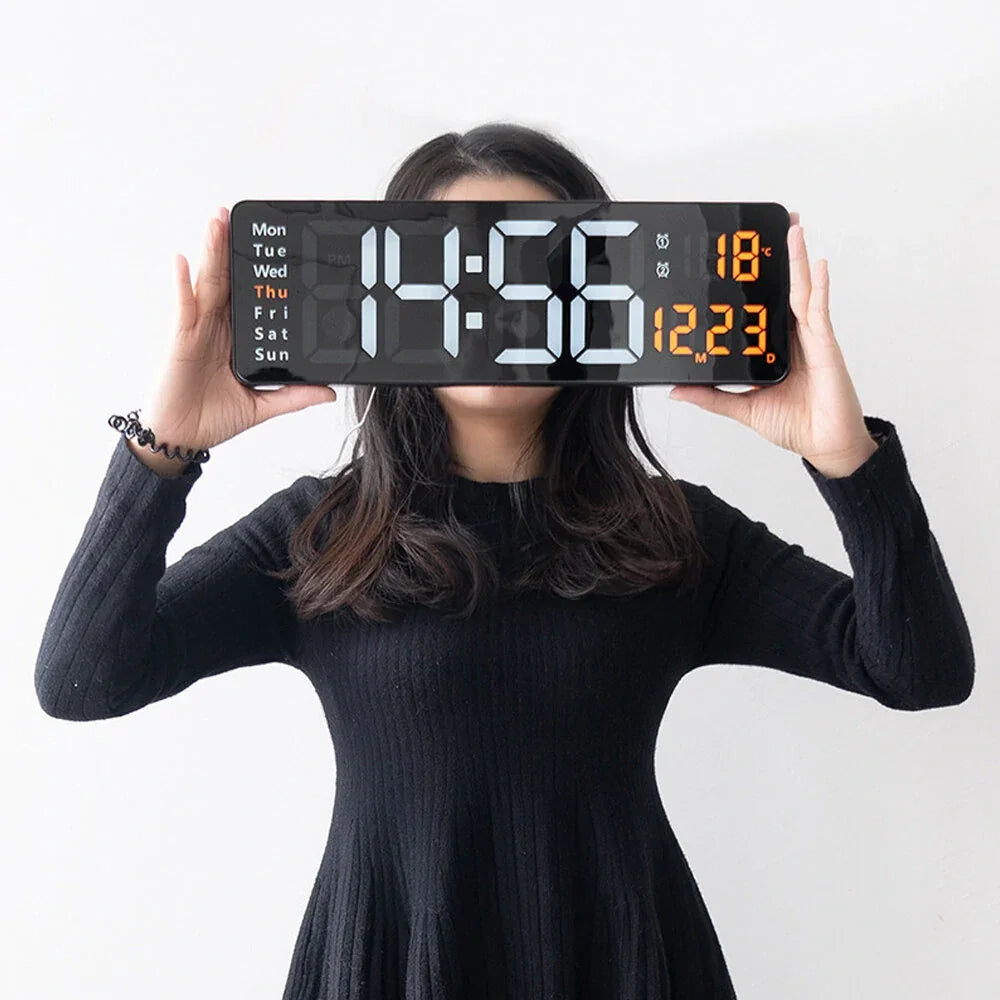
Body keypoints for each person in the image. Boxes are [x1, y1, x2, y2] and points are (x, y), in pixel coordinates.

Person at [34, 122, 974, 1000]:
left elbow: (918, 669)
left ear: (600, 293)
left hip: (625, 960)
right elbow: (82, 680)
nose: (494, 303)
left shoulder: (673, 531)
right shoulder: (319, 532)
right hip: (387, 964)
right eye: (457, 267)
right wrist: (163, 446)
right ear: (387, 297)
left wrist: (845, 460)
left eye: (537, 264)